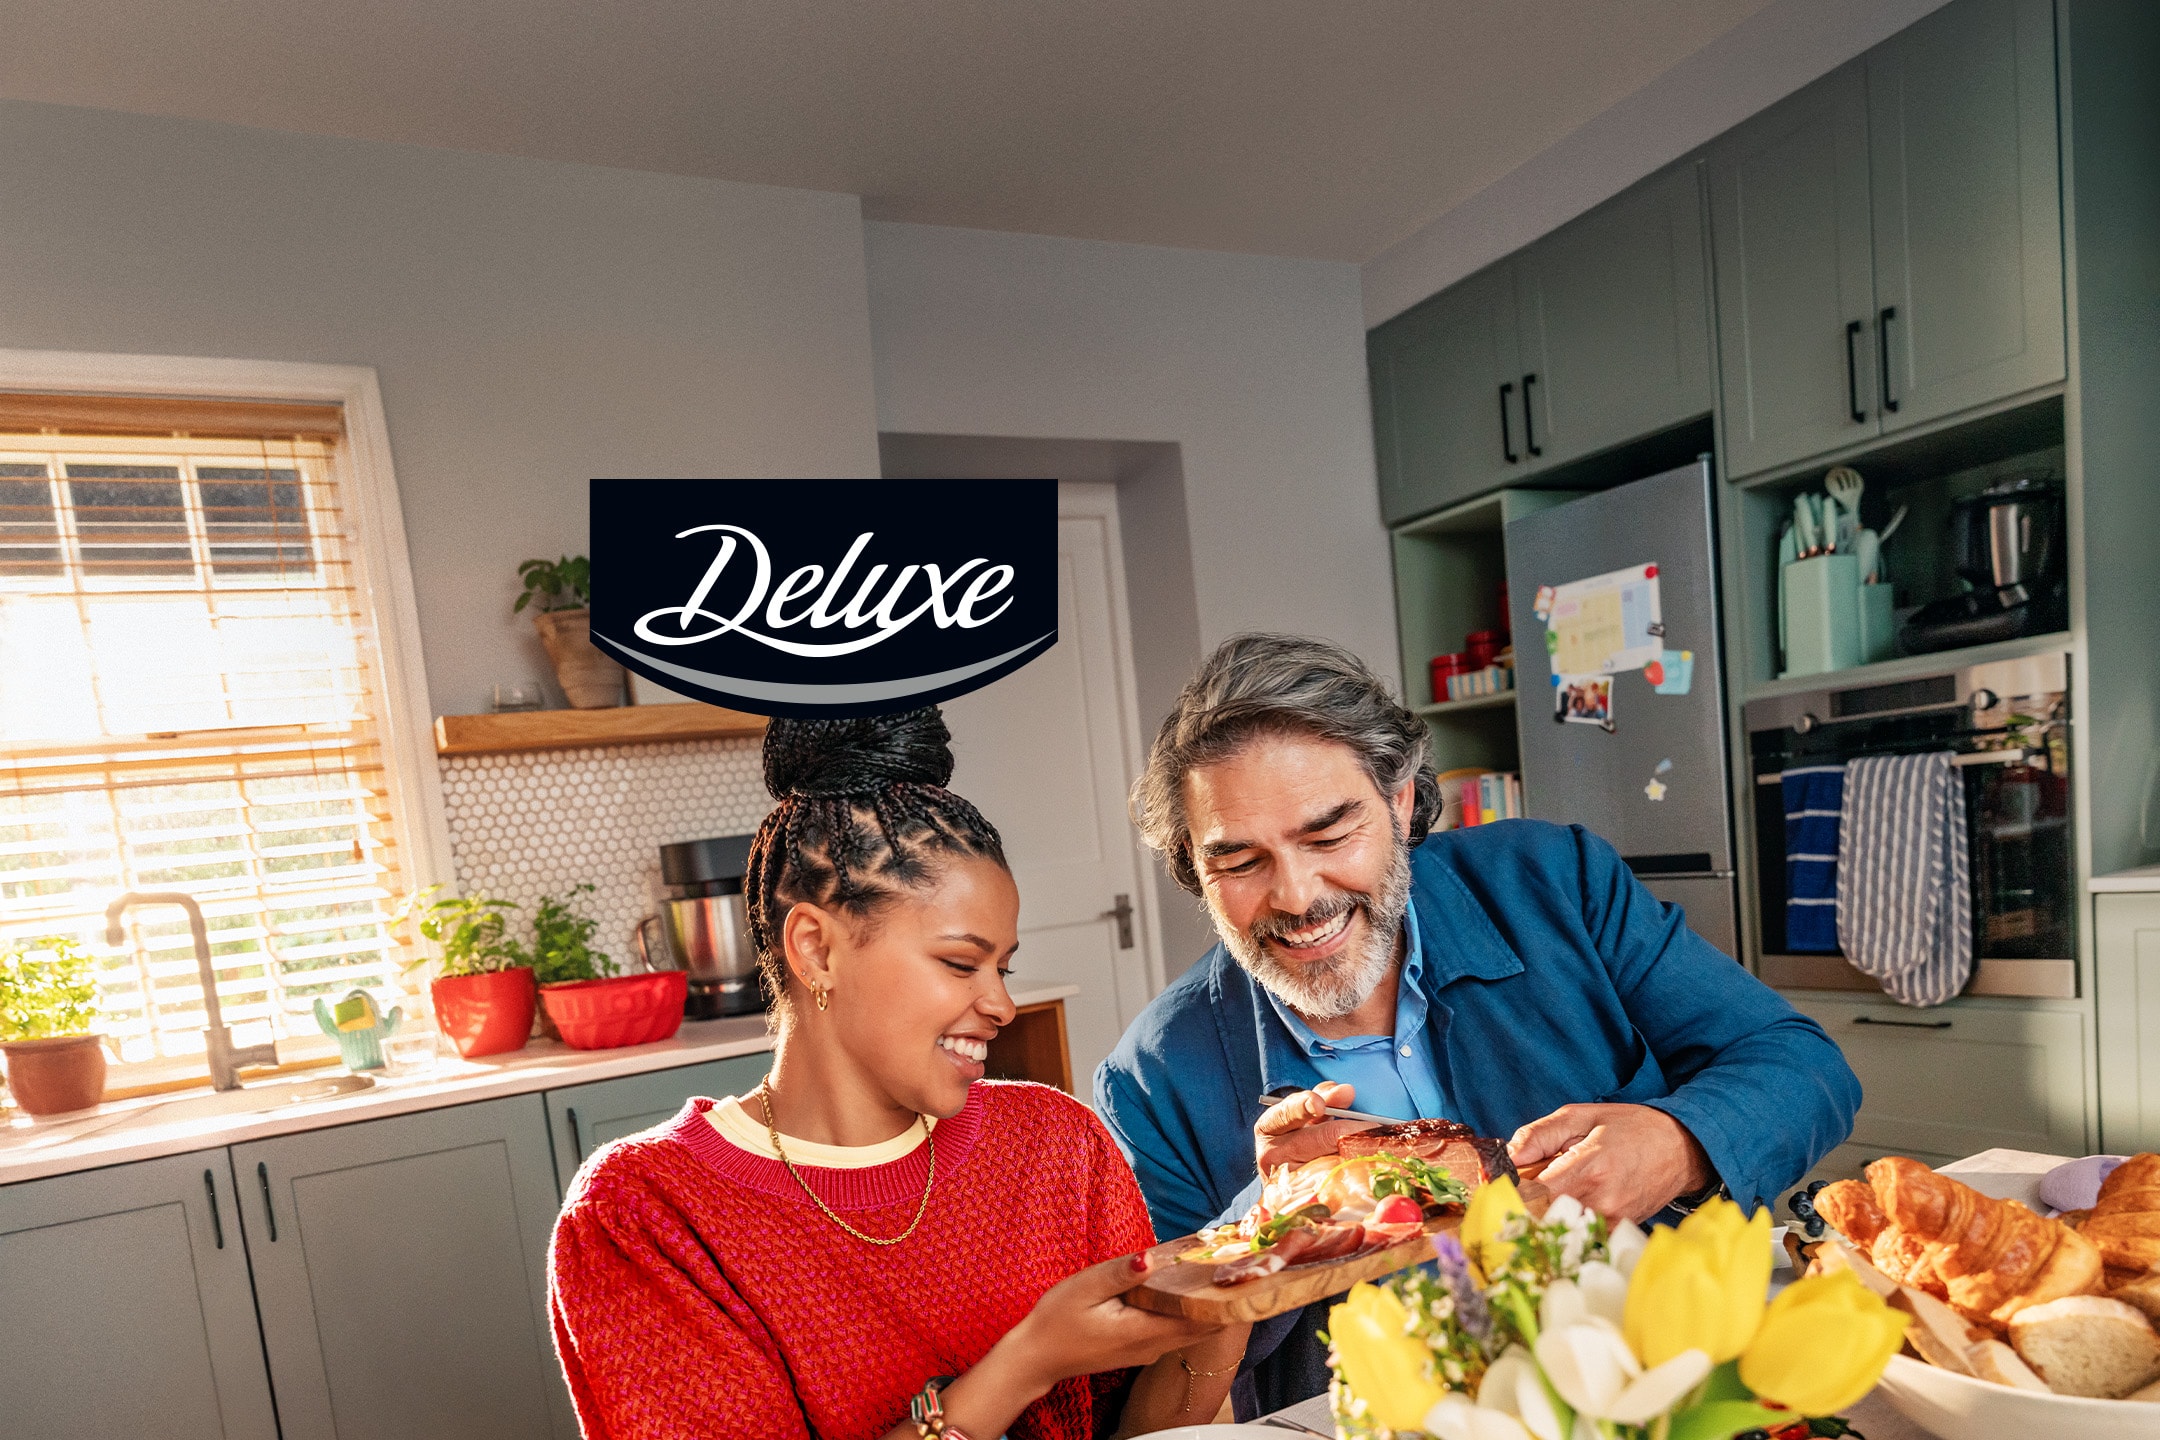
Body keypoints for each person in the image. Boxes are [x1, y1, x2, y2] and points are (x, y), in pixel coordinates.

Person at [1094, 634, 1861, 1415]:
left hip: (1664, 1381)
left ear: (1398, 801)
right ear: (1194, 864)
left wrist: (1678, 1142)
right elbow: (1163, 1396)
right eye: (1240, 862)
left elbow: (1802, 1067)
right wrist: (1264, 1227)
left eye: (1329, 836)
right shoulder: (1150, 1079)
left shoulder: (1555, 881)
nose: (1296, 896)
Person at [549, 708, 1248, 1439]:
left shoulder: (1057, 1142)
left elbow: (1144, 1427)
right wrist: (1027, 1363)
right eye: (959, 963)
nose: (1002, 1003)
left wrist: (1240, 1274)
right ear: (816, 950)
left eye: (1004, 967)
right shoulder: (642, 1213)